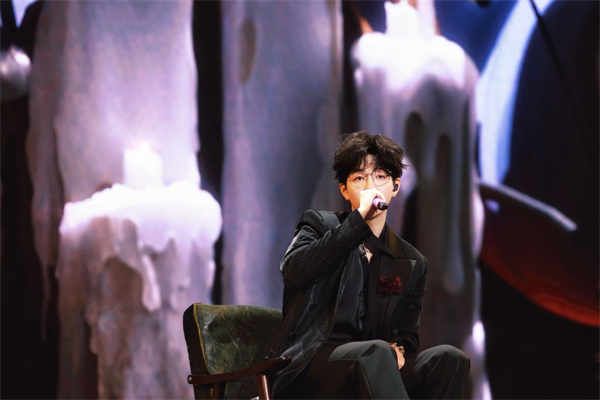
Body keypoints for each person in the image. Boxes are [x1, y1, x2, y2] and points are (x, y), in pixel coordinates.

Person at [271, 131, 470, 399]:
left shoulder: (411, 260)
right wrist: (358, 222)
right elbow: (294, 270)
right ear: (344, 190)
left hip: (375, 365)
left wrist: (400, 348)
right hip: (312, 365)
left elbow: (407, 335)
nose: (370, 187)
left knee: (448, 358)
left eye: (380, 177)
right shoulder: (319, 226)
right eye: (359, 179)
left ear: (395, 187)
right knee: (374, 353)